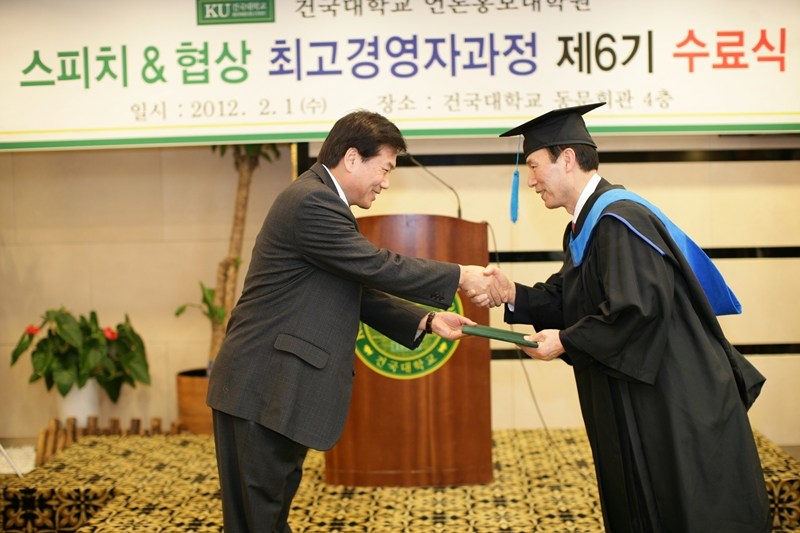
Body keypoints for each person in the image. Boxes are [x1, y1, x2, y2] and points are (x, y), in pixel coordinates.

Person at [472, 103, 772, 533]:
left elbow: (635, 312)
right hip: (644, 395)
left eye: (534, 166)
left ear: (567, 159)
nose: (531, 180)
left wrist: (566, 341)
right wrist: (511, 294)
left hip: (675, 402)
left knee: (687, 511)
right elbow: (572, 299)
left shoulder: (619, 219)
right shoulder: (588, 225)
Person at [207, 109, 503, 533]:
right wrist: (460, 275)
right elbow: (376, 265)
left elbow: (352, 288)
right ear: (351, 158)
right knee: (256, 521)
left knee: (266, 517)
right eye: (385, 168)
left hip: (273, 389)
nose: (386, 182)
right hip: (261, 386)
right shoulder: (312, 202)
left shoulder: (318, 197)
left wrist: (427, 320)